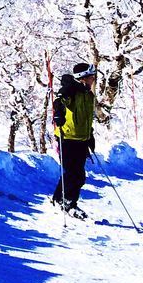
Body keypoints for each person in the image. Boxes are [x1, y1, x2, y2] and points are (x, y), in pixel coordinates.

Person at [51, 62, 97, 218]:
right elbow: (59, 101)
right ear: (82, 78)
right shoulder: (71, 90)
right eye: (91, 76)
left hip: (81, 139)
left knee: (76, 174)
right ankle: (68, 203)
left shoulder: (88, 95)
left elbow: (87, 118)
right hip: (67, 138)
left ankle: (60, 199)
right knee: (74, 174)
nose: (93, 79)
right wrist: (58, 113)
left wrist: (89, 135)